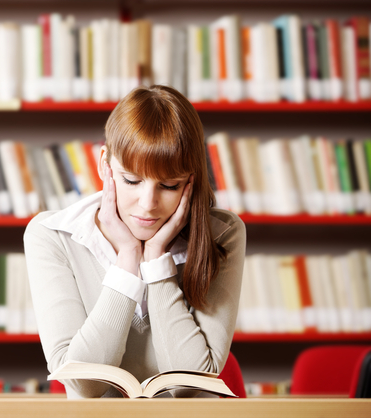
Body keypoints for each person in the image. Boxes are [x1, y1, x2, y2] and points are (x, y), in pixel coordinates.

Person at [23, 85, 246, 399]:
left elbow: (189, 386)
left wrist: (156, 262)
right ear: (105, 165)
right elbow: (85, 385)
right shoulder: (52, 235)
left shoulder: (222, 234)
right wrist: (128, 260)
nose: (148, 203)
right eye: (131, 180)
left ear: (191, 180)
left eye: (169, 185)